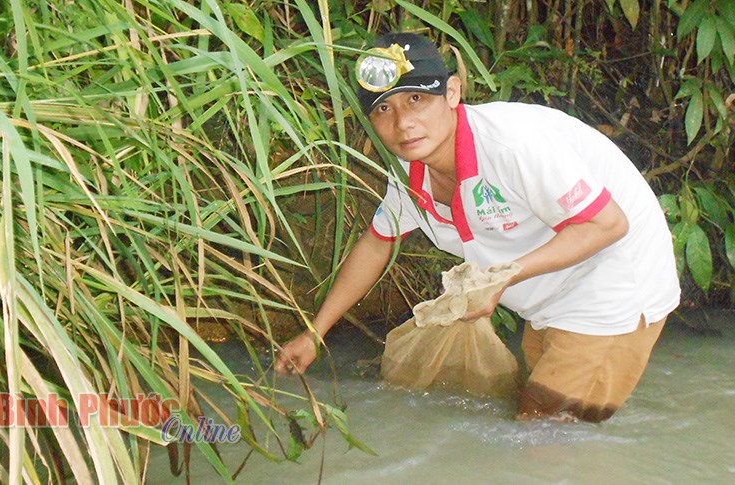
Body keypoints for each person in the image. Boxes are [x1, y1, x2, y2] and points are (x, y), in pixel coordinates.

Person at [275, 32, 680, 422]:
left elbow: (607, 224)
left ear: (452, 93)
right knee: (543, 422)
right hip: (547, 298)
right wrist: (315, 332)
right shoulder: (412, 170)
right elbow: (377, 243)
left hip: (617, 283)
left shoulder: (513, 146)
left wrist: (502, 278)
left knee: (544, 435)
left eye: (416, 99)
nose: (403, 123)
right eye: (384, 108)